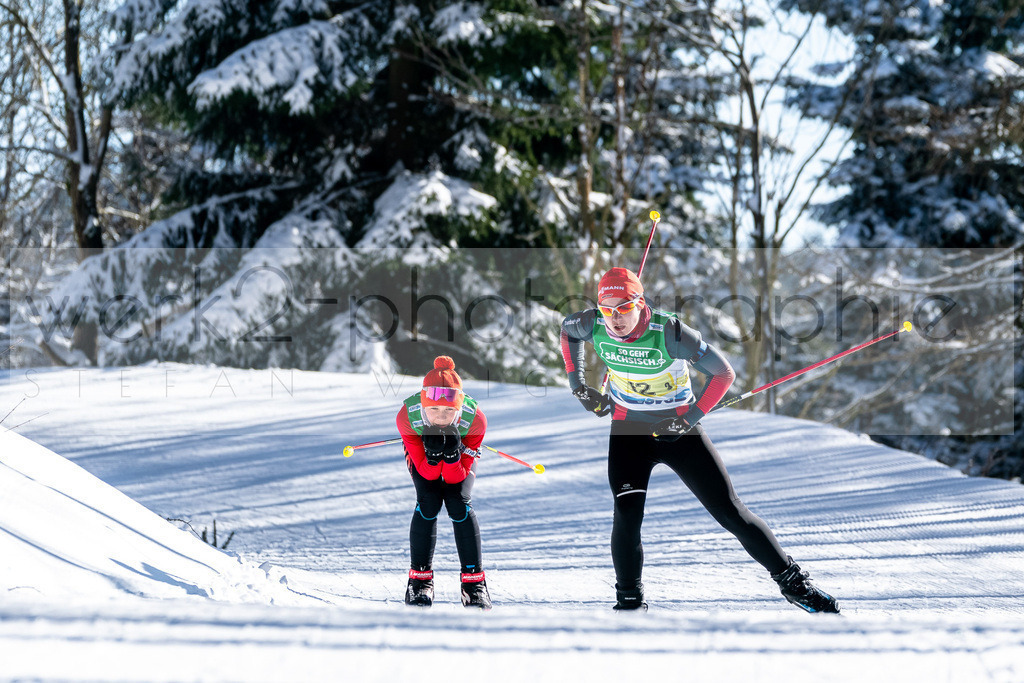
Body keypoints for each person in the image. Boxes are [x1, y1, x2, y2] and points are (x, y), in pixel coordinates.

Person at [559, 267, 839, 614]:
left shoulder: (670, 332)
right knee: (627, 513)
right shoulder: (593, 324)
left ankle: (795, 586)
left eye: (624, 308)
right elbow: (567, 332)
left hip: (678, 431)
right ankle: (628, 601)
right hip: (628, 429)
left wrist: (687, 420)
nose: (616, 319)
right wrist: (578, 386)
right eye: (607, 309)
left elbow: (724, 374)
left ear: (640, 303)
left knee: (730, 512)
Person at [396, 355, 491, 609]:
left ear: (458, 408)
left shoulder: (475, 421)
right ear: (423, 405)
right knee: (428, 501)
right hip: (422, 449)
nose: (441, 417)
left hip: (460, 452)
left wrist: (451, 457)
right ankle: (419, 582)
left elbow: (456, 478)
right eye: (434, 409)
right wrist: (433, 455)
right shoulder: (408, 418)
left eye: (449, 410)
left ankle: (474, 584)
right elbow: (427, 474)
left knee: (459, 502)